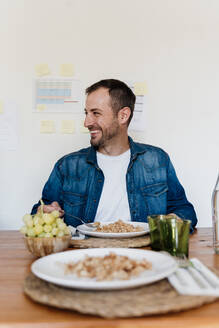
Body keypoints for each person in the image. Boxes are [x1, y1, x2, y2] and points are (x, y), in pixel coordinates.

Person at [31, 79, 197, 231]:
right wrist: (44, 211)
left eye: (96, 113)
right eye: (86, 113)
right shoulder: (67, 165)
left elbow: (185, 210)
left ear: (123, 115)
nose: (86, 122)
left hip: (143, 253)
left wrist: (171, 220)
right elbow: (38, 212)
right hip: (84, 255)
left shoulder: (157, 160)